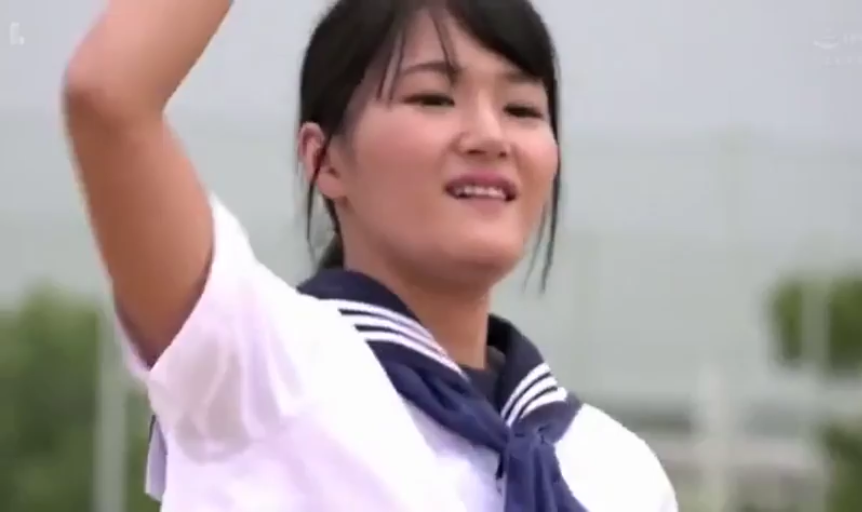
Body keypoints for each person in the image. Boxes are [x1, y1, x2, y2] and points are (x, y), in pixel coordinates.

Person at [63, 0, 677, 510]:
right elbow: (109, 97)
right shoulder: (263, 365)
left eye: (521, 109)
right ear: (324, 159)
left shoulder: (616, 470)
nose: (491, 136)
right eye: (433, 98)